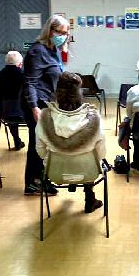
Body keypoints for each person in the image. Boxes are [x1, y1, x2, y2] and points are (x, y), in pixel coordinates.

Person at [36, 72, 105, 213]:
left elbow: (41, 151)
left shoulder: (44, 118)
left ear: (57, 91)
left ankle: (90, 198)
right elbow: (101, 153)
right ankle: (90, 199)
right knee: (89, 159)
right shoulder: (94, 119)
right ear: (80, 92)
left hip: (55, 172)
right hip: (88, 172)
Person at [22, 14, 70, 196]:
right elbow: (30, 82)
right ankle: (32, 184)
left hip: (47, 102)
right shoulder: (37, 51)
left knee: (45, 144)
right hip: (37, 104)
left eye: (66, 33)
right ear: (50, 31)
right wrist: (34, 107)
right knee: (37, 144)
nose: (64, 36)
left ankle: (42, 179)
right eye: (61, 32)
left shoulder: (52, 50)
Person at [0, 51, 26, 151]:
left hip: (5, 114)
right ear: (20, 64)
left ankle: (16, 141)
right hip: (26, 115)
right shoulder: (26, 78)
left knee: (11, 113)